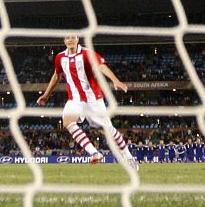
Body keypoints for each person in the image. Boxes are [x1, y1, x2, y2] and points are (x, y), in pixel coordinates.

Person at [37, 35, 138, 170]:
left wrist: (115, 80)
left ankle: (129, 156)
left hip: (93, 98)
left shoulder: (87, 53)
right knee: (67, 122)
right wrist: (46, 95)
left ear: (78, 40)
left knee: (109, 129)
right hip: (75, 99)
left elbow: (101, 66)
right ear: (64, 41)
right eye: (67, 38)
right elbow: (57, 75)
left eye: (73, 38)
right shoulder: (60, 57)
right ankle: (94, 153)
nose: (70, 40)